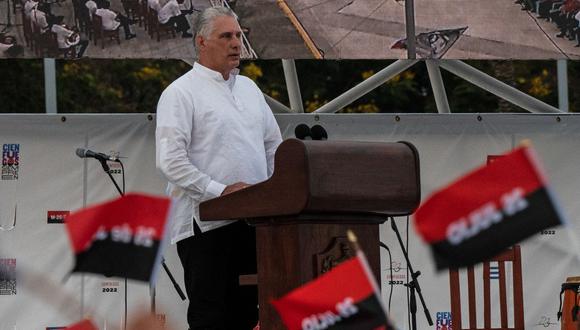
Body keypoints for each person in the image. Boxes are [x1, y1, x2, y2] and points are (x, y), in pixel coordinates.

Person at [155, 6, 282, 330]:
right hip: (206, 226)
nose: (236, 43)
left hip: (255, 223)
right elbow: (170, 160)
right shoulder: (180, 93)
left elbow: (273, 146)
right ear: (202, 42)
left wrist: (274, 194)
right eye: (226, 36)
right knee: (212, 317)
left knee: (250, 316)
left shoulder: (250, 89)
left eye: (239, 36)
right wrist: (220, 192)